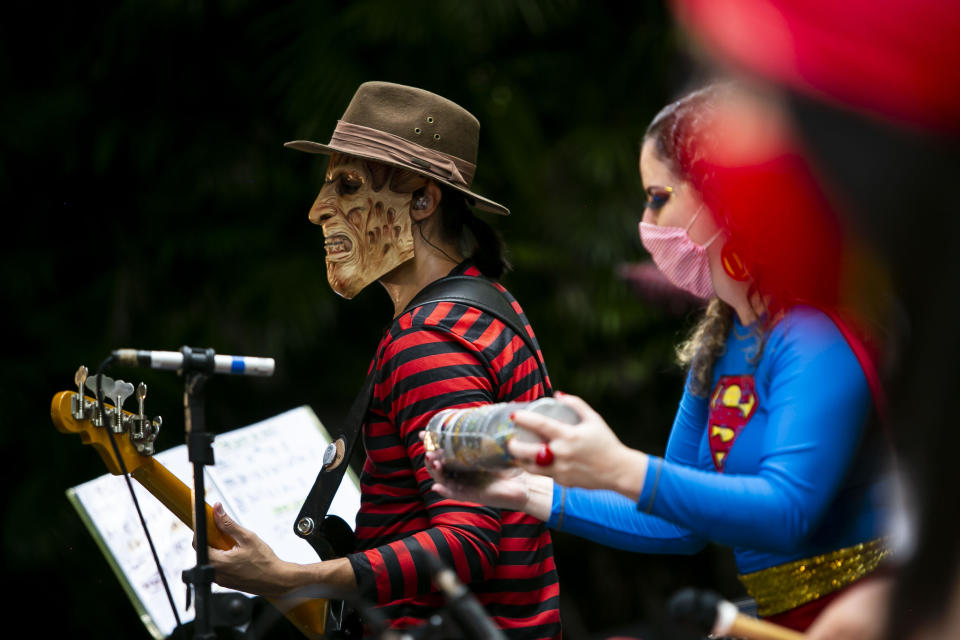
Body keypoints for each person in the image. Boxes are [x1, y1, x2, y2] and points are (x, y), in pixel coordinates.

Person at [427, 84, 895, 633]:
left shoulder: (816, 330)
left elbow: (787, 512)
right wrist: (526, 491)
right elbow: (679, 525)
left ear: (724, 197)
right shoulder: (723, 343)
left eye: (657, 197)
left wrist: (617, 466)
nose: (646, 223)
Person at [207, 81, 562, 640]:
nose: (317, 211)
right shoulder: (489, 306)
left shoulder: (431, 342)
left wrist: (292, 577)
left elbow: (468, 543)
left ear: (422, 200)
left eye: (346, 186)